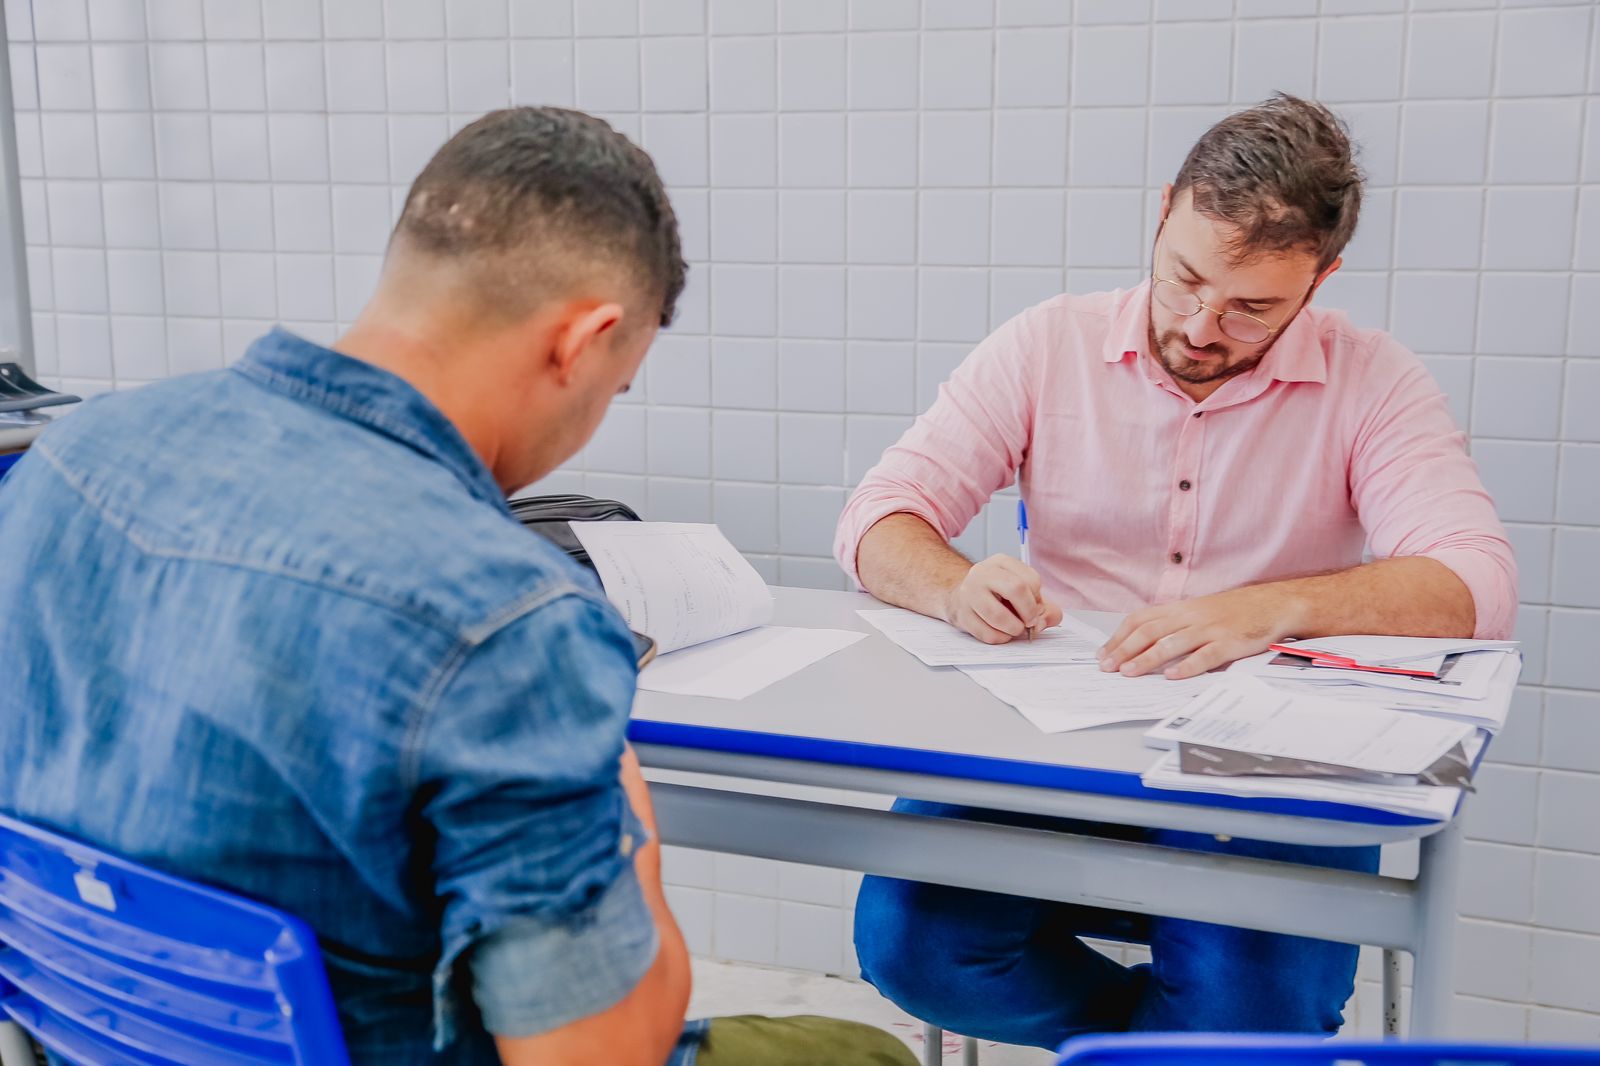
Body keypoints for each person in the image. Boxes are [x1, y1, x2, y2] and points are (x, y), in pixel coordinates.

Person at [0, 108, 914, 1066]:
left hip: (93, 1040)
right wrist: (612, 778)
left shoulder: (66, 459)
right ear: (582, 342)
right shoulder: (510, 625)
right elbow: (594, 1056)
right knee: (862, 1054)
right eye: (619, 387)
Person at [836, 95, 1516, 1047]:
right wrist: (953, 586)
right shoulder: (1048, 344)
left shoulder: (1375, 380)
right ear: (1162, 214)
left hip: (1268, 766)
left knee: (1255, 1005)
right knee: (915, 946)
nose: (1202, 326)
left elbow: (1476, 585)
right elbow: (878, 520)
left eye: (1251, 308)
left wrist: (1270, 610)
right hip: (1056, 749)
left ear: (1321, 279)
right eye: (1183, 278)